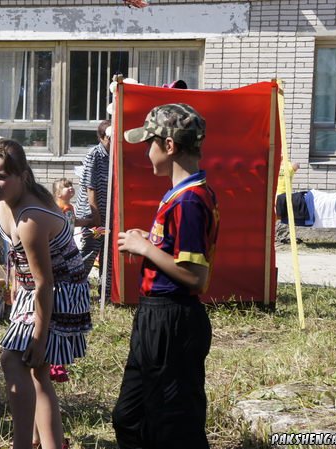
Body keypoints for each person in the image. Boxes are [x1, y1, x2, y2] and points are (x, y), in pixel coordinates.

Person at [112, 103, 219, 449]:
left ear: (169, 146)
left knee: (173, 425)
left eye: (149, 143)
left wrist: (146, 250)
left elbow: (195, 277)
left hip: (173, 319)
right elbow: (177, 252)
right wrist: (153, 241)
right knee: (130, 417)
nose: (146, 151)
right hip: (154, 316)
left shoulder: (189, 200)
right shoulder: (180, 193)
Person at [0, 139, 92, 449]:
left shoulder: (30, 219)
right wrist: (12, 290)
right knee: (37, 373)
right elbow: (23, 265)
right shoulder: (3, 202)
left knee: (13, 360)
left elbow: (46, 283)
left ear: (22, 176)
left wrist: (39, 339)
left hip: (61, 291)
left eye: (1, 175)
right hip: (35, 289)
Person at [74, 120, 112, 293]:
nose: (112, 142)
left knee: (108, 252)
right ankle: (74, 286)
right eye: (109, 138)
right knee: (90, 250)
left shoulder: (114, 156)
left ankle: (107, 290)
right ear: (102, 137)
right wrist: (95, 215)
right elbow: (90, 186)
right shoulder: (94, 154)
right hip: (94, 213)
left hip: (109, 213)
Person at [275, 161, 301, 244]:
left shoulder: (289, 165)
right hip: (277, 194)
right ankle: (278, 236)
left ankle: (282, 236)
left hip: (285, 195)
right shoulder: (274, 165)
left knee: (283, 216)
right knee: (278, 216)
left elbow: (297, 165)